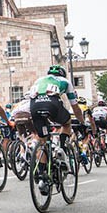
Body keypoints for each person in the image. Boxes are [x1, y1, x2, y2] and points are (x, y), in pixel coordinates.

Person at [29, 65, 84, 193]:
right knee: (66, 123)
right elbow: (75, 107)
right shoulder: (65, 82)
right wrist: (81, 122)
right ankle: (62, 150)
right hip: (52, 104)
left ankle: (42, 174)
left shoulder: (39, 80)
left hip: (35, 106)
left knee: (42, 140)